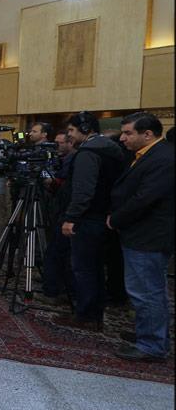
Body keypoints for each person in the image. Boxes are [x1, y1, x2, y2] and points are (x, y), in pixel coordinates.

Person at [109, 112, 174, 362]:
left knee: (147, 291)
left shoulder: (163, 158)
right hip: (142, 234)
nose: (122, 138)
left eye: (128, 133)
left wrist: (116, 219)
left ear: (147, 134)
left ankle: (152, 345)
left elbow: (144, 198)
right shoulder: (148, 154)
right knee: (145, 289)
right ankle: (148, 334)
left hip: (148, 236)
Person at [58, 111, 126, 330]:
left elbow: (83, 190)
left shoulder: (88, 152)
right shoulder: (111, 149)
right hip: (104, 216)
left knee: (84, 268)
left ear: (85, 129)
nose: (69, 135)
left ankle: (86, 315)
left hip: (88, 219)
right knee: (96, 268)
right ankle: (94, 313)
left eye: (71, 130)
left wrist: (71, 218)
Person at [40, 131, 75, 303]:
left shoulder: (72, 160)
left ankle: (55, 289)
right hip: (57, 208)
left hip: (66, 210)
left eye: (60, 143)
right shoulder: (60, 159)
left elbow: (64, 184)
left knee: (57, 251)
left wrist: (53, 183)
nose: (56, 146)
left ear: (70, 143)